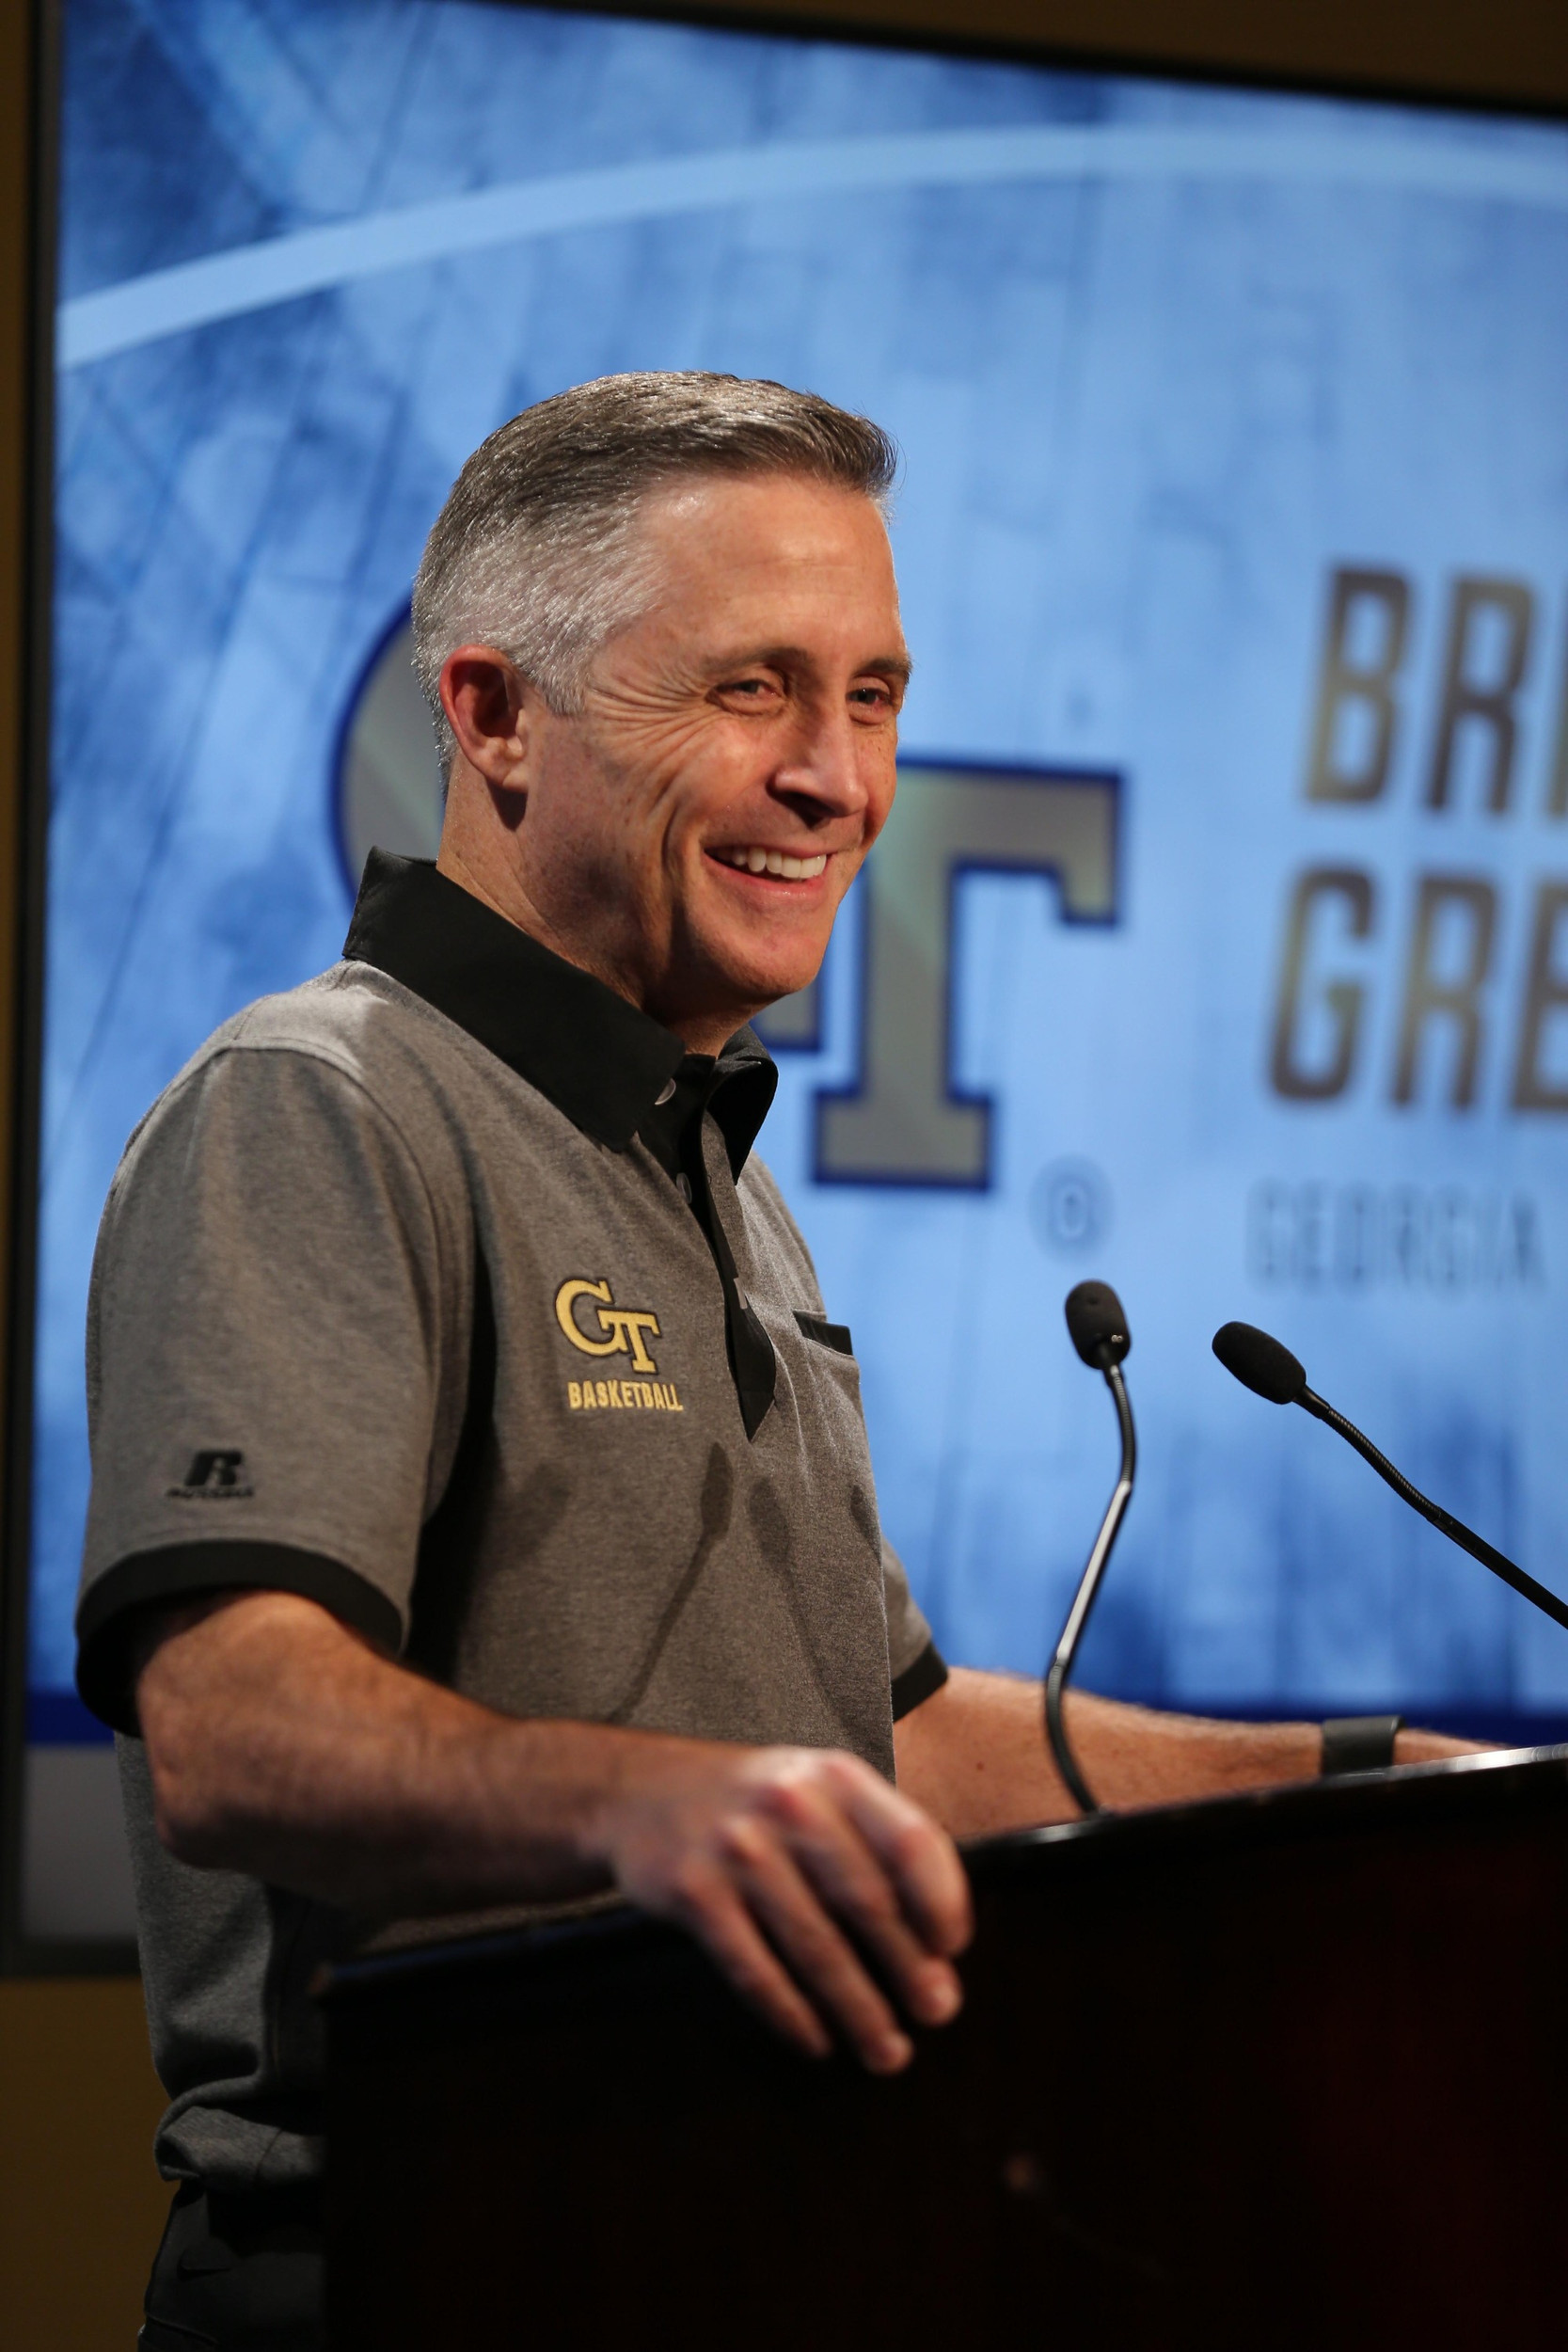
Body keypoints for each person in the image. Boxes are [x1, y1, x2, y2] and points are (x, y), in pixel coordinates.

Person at [74, 373, 1475, 2349]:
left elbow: (885, 1743)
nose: (838, 777)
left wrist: (1377, 1784)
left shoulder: (715, 1172)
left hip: (751, 2248)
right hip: (427, 2260)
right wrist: (647, 1807)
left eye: (873, 695)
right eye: (752, 689)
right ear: (491, 714)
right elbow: (229, 1718)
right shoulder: (321, 1106)